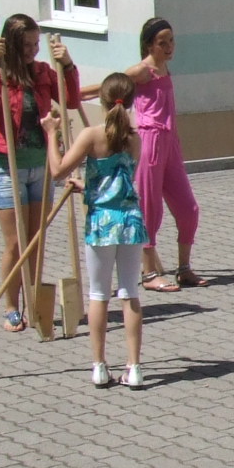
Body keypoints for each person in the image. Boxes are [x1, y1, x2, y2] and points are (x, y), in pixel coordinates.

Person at [0, 15, 82, 332]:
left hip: (41, 168)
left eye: (36, 44)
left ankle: (35, 303)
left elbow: (71, 99)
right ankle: (11, 307)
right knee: (16, 243)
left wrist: (68, 65)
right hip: (7, 168)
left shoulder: (42, 72)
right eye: (26, 45)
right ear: (11, 44)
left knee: (36, 241)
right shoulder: (1, 72)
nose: (32, 50)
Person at [45, 73, 148, 389]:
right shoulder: (135, 139)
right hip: (130, 220)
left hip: (102, 222)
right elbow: (120, 181)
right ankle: (134, 367)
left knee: (99, 294)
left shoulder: (91, 135)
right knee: (130, 292)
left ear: (101, 101)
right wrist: (87, 186)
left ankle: (100, 366)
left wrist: (51, 134)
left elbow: (57, 170)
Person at [126, 17, 200, 292]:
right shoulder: (142, 70)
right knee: (150, 208)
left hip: (170, 143)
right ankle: (149, 274)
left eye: (171, 41)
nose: (169, 47)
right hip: (150, 142)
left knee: (189, 209)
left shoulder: (164, 68)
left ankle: (184, 268)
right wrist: (75, 95)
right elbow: (111, 86)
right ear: (149, 45)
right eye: (162, 43)